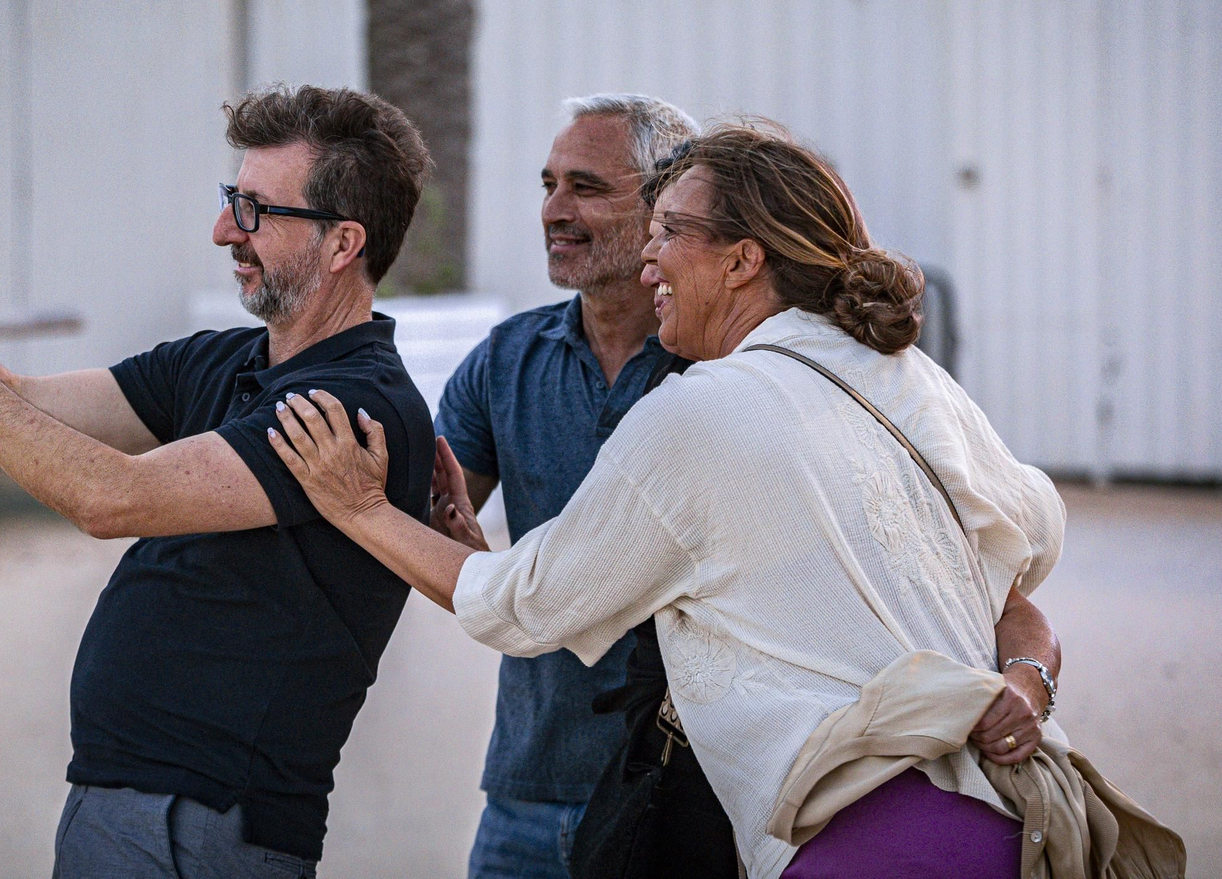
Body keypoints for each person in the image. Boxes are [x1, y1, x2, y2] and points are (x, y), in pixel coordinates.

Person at [265, 120, 1070, 879]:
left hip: (865, 845)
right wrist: (1026, 676)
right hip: (1008, 826)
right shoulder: (911, 381)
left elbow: (522, 607)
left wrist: (360, 507)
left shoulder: (700, 409)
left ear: (741, 260)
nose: (650, 262)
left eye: (670, 233)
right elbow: (1031, 540)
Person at [0, 86, 437, 879]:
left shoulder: (350, 405)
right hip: (135, 807)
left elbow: (111, 498)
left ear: (344, 242)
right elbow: (25, 406)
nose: (223, 231)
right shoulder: (222, 359)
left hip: (204, 826)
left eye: (254, 211)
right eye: (229, 201)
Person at [434, 94, 698, 879]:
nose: (554, 210)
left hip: (690, 792)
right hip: (528, 790)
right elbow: (434, 523)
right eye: (547, 185)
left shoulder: (724, 367)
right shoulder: (505, 359)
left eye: (585, 187)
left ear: (665, 206)